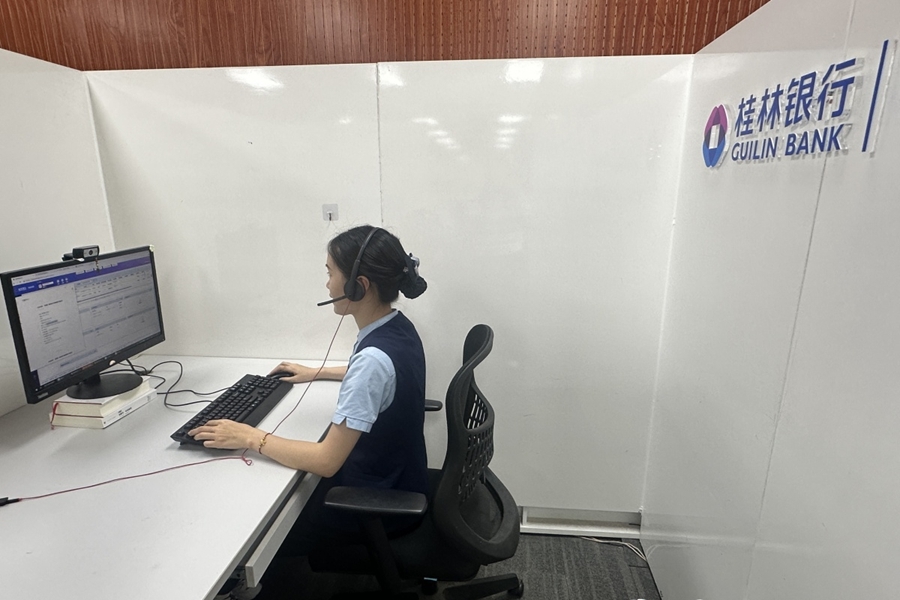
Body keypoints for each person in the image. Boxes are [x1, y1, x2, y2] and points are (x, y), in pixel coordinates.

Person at [188, 225, 429, 557]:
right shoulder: (396, 327)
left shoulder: (372, 360)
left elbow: (326, 461)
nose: (327, 284)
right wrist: (317, 372)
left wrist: (248, 436)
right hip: (400, 479)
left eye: (330, 273)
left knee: (254, 522)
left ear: (358, 286)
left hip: (375, 504)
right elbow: (381, 376)